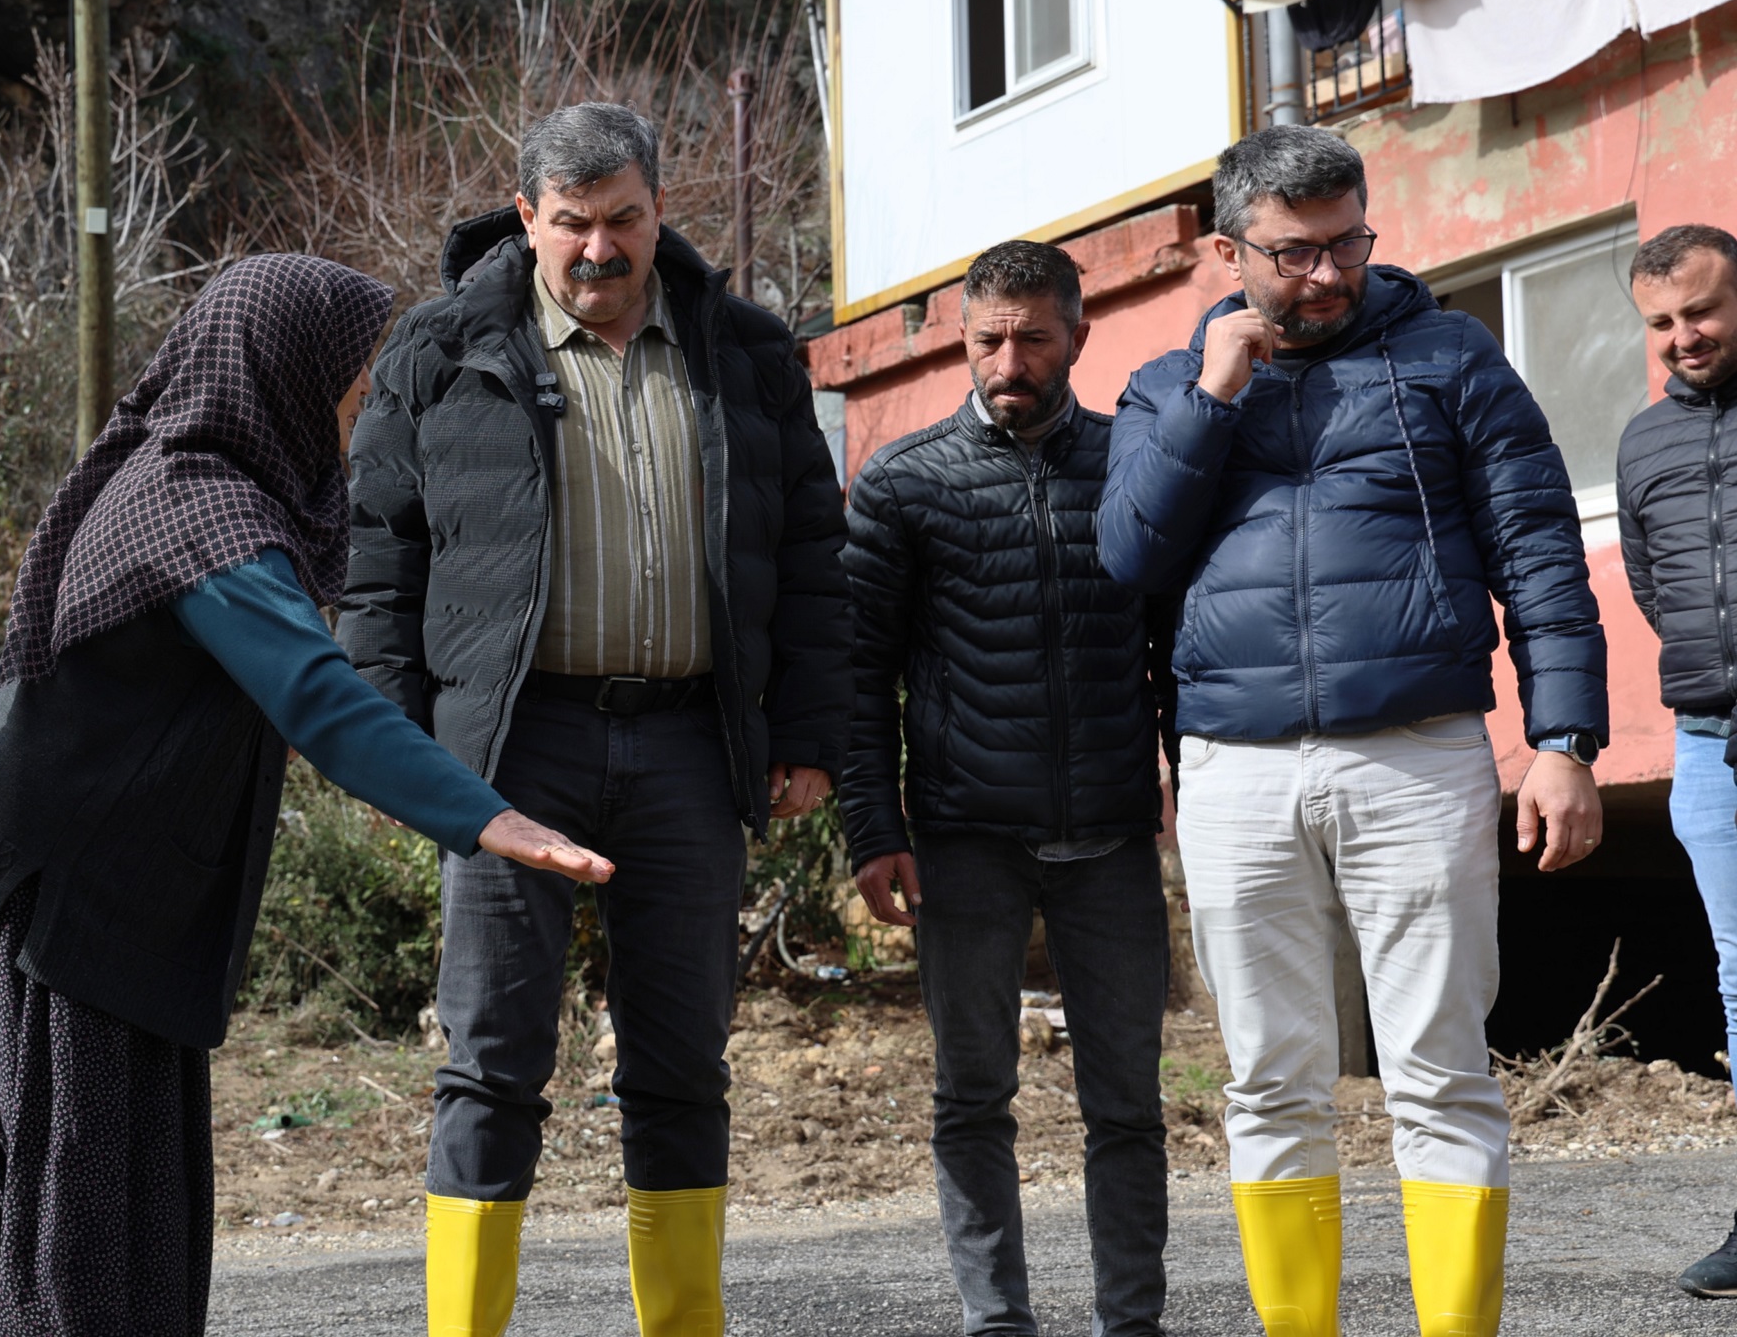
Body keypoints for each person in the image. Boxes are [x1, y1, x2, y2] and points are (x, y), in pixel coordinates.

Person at [0, 253, 612, 1337]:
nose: (361, 396)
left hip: (43, 900)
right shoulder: (208, 516)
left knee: (101, 1255)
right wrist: (487, 815)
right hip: (55, 917)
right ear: (279, 374)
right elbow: (321, 700)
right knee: (93, 1272)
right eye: (349, 374)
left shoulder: (167, 467)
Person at [339, 102, 851, 1337]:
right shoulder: (440, 348)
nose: (600, 250)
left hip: (690, 744)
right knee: (490, 1063)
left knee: (680, 1067)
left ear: (659, 208)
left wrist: (811, 730)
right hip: (512, 750)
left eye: (624, 219)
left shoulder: (749, 350)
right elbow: (375, 563)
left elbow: (814, 553)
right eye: (571, 223)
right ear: (526, 219)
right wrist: (400, 750)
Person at [1099, 124, 1608, 1337]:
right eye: (1295, 254)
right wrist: (1214, 402)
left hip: (1419, 752)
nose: (1330, 275)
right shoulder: (1167, 386)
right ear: (1228, 250)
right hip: (1232, 765)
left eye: (1349, 244)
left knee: (1440, 1071)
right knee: (1271, 1082)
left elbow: (1539, 547)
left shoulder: (1451, 357)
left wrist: (1567, 738)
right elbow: (1127, 555)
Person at [843, 239, 1174, 1337]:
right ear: (962, 340)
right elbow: (859, 675)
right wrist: (870, 828)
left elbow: (1174, 643)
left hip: (1114, 836)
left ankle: (1131, 1321)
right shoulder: (903, 481)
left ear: (1078, 334)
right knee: (972, 1099)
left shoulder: (1136, 464)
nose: (1010, 359)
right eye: (989, 339)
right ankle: (999, 1321)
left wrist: (1190, 789)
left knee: (1126, 1105)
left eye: (1034, 336)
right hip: (964, 838)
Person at [1613, 222, 1737, 1300]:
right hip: (1710, 748)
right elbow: (1656, 587)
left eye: (1703, 311)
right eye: (1662, 321)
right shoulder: (1641, 444)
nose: (1684, 336)